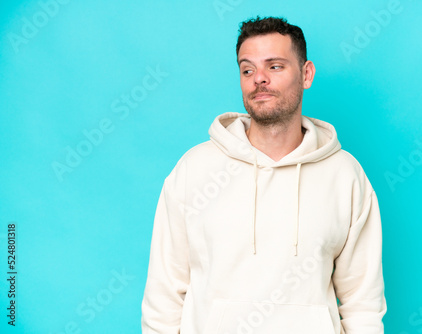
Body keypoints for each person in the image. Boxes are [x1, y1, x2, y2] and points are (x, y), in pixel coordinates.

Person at [141, 16, 387, 334]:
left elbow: (362, 304)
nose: (259, 79)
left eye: (275, 66)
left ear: (306, 74)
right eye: (248, 69)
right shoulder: (194, 169)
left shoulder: (345, 175)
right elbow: (163, 297)